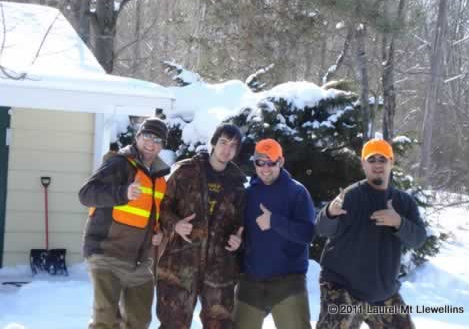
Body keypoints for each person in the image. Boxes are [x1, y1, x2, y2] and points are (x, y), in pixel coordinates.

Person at [315, 138, 427, 329]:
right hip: (342, 287)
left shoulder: (404, 202)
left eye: (382, 159)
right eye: (371, 159)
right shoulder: (349, 196)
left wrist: (398, 222)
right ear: (363, 164)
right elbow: (321, 229)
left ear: (391, 163)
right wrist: (330, 213)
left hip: (382, 292)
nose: (377, 165)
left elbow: (418, 239)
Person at [79, 117, 170, 329]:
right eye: (147, 136)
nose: (151, 143)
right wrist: (123, 193)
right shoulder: (118, 163)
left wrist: (158, 232)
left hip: (139, 260)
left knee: (139, 321)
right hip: (106, 254)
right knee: (106, 320)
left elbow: (151, 216)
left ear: (163, 145)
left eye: (157, 139)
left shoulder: (159, 178)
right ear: (137, 137)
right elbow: (86, 194)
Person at [155, 123, 246, 329]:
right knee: (173, 324)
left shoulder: (238, 185)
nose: (227, 149)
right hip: (180, 264)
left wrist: (238, 240)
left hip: (219, 269)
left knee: (219, 325)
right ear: (213, 143)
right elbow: (162, 206)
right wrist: (175, 224)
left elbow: (241, 225)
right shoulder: (186, 171)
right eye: (223, 142)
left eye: (233, 145)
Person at [233, 138, 315, 329]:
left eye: (271, 162)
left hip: (288, 282)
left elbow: (307, 234)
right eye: (260, 162)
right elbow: (239, 232)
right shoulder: (248, 194)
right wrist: (237, 241)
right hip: (251, 281)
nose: (265, 168)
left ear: (281, 162)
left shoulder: (297, 192)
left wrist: (274, 221)